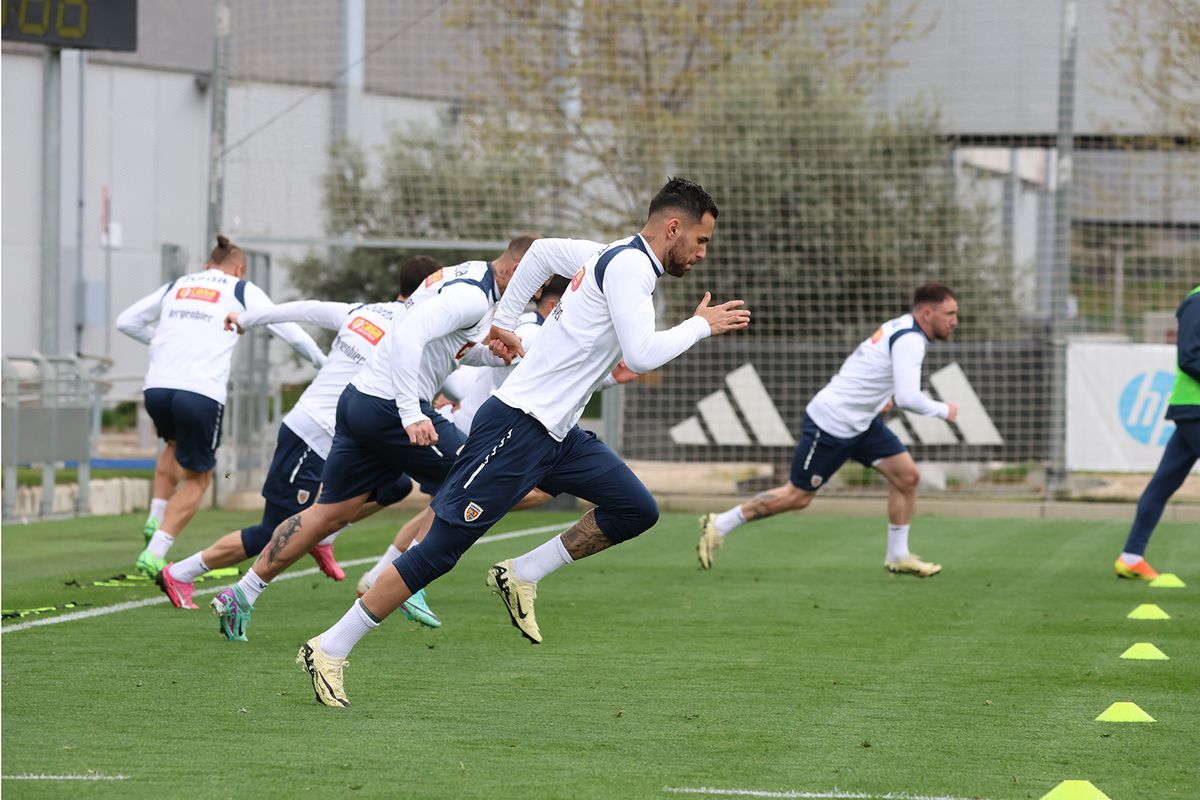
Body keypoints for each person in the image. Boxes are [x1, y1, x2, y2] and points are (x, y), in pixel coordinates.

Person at [298, 177, 751, 708]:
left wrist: (505, 320)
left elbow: (537, 254)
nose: (702, 253)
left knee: (635, 509)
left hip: (557, 435)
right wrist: (699, 326)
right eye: (701, 240)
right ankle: (329, 647)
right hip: (517, 428)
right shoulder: (630, 267)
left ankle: (522, 572)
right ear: (673, 227)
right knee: (439, 552)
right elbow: (642, 354)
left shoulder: (605, 253)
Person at [208, 236, 538, 641]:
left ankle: (241, 593)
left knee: (328, 514)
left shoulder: (467, 277)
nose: (535, 293)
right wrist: (411, 412)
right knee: (471, 477)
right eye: (536, 282)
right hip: (389, 406)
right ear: (516, 270)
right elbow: (408, 335)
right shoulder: (472, 296)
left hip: (360, 399)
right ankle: (409, 580)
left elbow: (443, 344)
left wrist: (488, 355)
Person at [154, 256, 443, 613]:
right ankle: (180, 573)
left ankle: (325, 533)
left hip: (347, 436)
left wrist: (246, 318)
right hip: (313, 432)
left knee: (394, 485)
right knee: (274, 531)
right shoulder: (415, 331)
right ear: (433, 290)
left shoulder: (361, 311)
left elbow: (304, 308)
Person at [697, 282, 960, 578]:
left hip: (862, 422)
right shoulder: (910, 339)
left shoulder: (903, 328)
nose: (955, 321)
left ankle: (898, 556)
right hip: (831, 425)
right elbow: (909, 397)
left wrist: (879, 398)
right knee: (798, 497)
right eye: (949, 314)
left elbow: (868, 366)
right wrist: (943, 410)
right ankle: (720, 524)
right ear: (927, 313)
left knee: (907, 477)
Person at [353, 276, 573, 612]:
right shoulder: (531, 333)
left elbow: (475, 367)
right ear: (555, 305)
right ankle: (406, 580)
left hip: (479, 428)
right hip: (480, 432)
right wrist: (446, 396)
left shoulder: (530, 328)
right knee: (479, 501)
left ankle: (381, 575)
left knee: (445, 505)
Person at [115, 235, 326, 577]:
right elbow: (287, 329)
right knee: (199, 479)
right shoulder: (240, 289)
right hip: (200, 392)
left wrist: (164, 343)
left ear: (206, 265)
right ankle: (155, 552)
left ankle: (156, 514)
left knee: (172, 444)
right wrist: (322, 362)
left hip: (157, 386)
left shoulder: (179, 285)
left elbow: (125, 321)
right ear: (239, 268)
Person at [1114, 283, 1200, 580]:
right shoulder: (1197, 302)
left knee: (1164, 482)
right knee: (1164, 483)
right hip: (1194, 408)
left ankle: (1131, 557)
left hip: (1193, 410)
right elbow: (1189, 357)